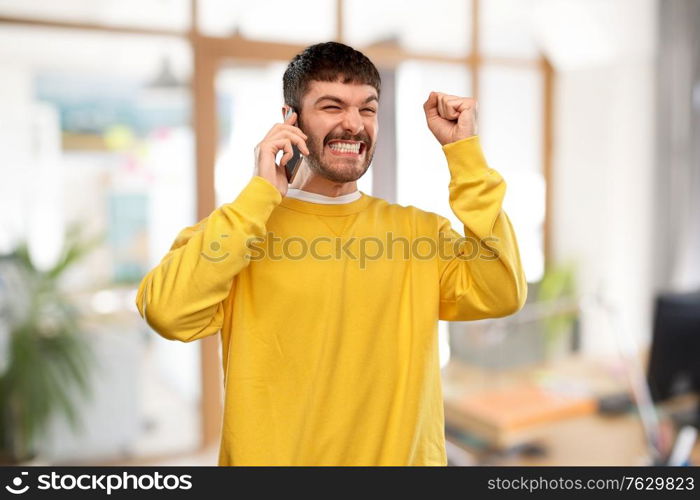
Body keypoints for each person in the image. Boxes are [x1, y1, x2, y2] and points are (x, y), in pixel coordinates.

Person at [136, 41, 527, 466]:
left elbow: (502, 291)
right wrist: (260, 195)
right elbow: (166, 312)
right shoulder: (238, 231)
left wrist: (465, 156)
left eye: (367, 109)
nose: (353, 124)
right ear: (292, 120)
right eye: (331, 106)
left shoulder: (419, 234)